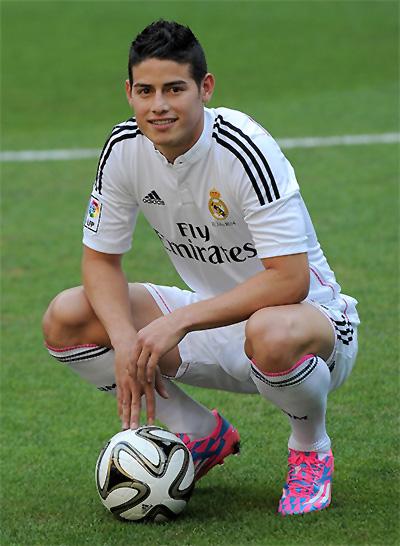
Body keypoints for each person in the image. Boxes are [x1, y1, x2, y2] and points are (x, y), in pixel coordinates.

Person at [42, 19, 359, 516]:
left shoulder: (243, 147)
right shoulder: (123, 149)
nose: (159, 105)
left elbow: (290, 279)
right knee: (68, 317)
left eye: (175, 89)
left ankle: (310, 449)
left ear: (204, 88)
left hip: (308, 326)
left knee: (271, 330)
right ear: (128, 92)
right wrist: (125, 339)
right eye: (145, 90)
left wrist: (178, 320)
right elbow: (100, 260)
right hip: (215, 323)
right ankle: (199, 434)